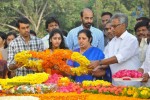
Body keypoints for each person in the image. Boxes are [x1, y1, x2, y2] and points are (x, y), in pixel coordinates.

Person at [88, 13, 141, 86]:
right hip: (116, 83)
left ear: (123, 25)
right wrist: (94, 68)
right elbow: (106, 59)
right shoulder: (112, 42)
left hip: (131, 83)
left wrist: (98, 63)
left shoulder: (131, 39)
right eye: (112, 26)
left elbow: (119, 58)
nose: (112, 29)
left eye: (114, 26)